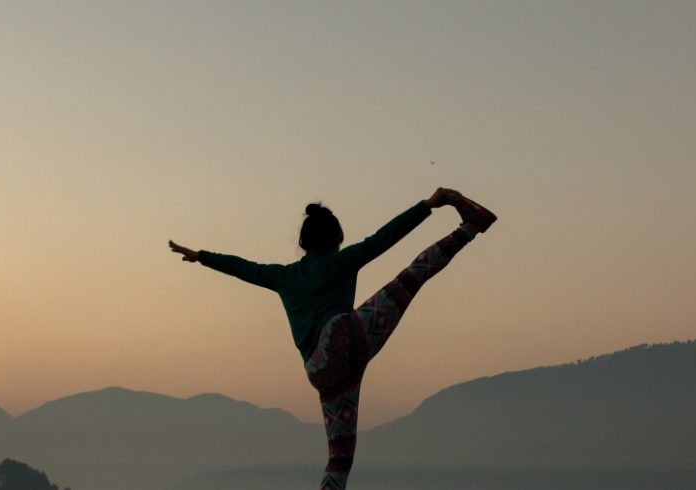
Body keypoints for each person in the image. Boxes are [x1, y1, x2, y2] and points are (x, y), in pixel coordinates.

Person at [168, 188, 496, 490]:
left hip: (323, 374)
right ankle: (469, 228)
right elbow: (385, 238)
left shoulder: (283, 276)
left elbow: (243, 268)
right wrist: (428, 205)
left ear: (304, 244)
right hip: (344, 339)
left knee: (339, 460)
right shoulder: (341, 262)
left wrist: (201, 256)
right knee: (410, 278)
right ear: (337, 238)